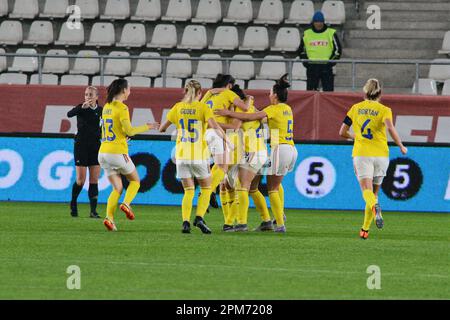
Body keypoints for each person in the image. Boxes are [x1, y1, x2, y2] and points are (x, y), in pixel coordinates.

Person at [215, 74, 297, 233]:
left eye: (270, 92)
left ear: (275, 95)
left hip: (273, 150)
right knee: (255, 187)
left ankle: (273, 223)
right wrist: (248, 102)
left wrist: (225, 114)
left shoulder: (270, 109)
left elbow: (244, 120)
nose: (268, 95)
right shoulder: (286, 109)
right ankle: (269, 220)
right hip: (288, 149)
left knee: (263, 187)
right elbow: (258, 116)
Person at [159, 80, 231, 234]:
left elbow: (162, 128)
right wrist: (227, 141)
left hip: (181, 155)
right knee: (206, 187)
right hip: (198, 155)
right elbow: (216, 127)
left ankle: (185, 222)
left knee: (188, 191)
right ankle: (199, 217)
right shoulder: (203, 107)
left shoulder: (177, 107)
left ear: (185, 91)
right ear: (200, 93)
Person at [339, 79, 408, 240]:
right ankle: (365, 230)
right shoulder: (384, 110)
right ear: (380, 94)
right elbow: (390, 128)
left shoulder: (355, 108)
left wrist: (353, 136)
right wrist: (401, 146)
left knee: (367, 192)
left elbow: (342, 131)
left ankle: (374, 209)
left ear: (365, 93)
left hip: (362, 153)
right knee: (374, 194)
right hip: (381, 155)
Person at [98, 79, 159, 231]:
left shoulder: (107, 106)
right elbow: (129, 131)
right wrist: (148, 126)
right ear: (124, 90)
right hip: (117, 152)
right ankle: (126, 203)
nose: (130, 92)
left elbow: (112, 129)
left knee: (117, 188)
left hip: (103, 152)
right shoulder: (122, 108)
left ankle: (109, 219)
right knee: (135, 181)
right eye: (129, 89)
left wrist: (121, 138)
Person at [220, 84, 270, 232]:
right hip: (259, 150)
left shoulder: (240, 109)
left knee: (242, 186)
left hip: (253, 152)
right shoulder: (251, 107)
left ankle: (241, 223)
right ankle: (266, 221)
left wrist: (213, 123)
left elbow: (234, 127)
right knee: (252, 188)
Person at [200, 74, 250, 211]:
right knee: (223, 167)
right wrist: (249, 99)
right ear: (228, 85)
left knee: (217, 165)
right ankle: (208, 191)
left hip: (204, 133)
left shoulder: (208, 95)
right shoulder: (228, 93)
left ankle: (208, 190)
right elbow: (245, 108)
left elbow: (199, 109)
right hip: (218, 132)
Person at [67, 86, 102, 218]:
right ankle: (73, 202)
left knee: (94, 180)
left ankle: (93, 211)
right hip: (81, 146)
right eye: (86, 94)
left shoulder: (101, 111)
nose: (88, 97)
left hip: (95, 147)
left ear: (97, 97)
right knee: (81, 180)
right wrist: (81, 108)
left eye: (91, 95)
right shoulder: (81, 108)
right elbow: (69, 114)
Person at [299, 11, 342, 92]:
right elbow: (301, 50)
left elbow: (338, 50)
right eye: (316, 22)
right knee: (311, 92)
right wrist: (306, 63)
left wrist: (330, 62)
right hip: (312, 66)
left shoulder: (331, 33)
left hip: (326, 67)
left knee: (328, 92)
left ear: (323, 22)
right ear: (313, 22)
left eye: (320, 21)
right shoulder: (307, 33)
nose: (319, 24)